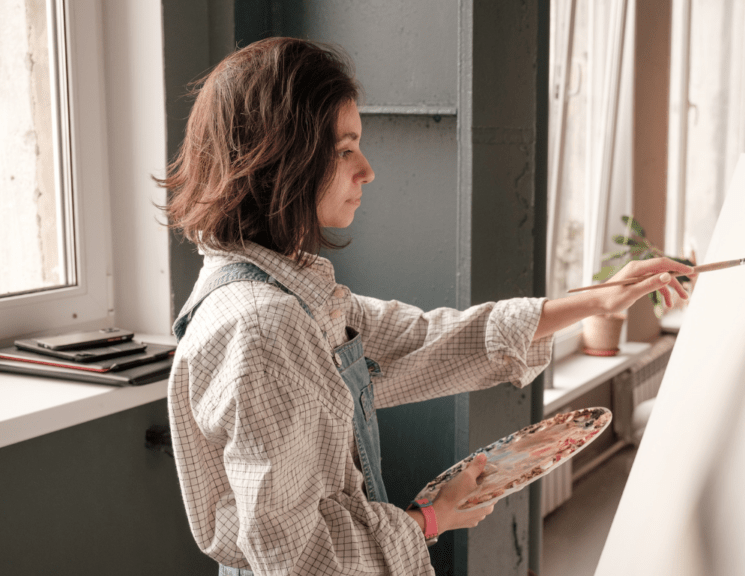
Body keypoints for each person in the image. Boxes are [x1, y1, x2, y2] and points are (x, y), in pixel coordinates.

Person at [160, 37, 691, 576]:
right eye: (345, 149)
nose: (367, 170)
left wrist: (596, 298)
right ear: (280, 158)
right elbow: (298, 559)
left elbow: (424, 339)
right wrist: (429, 520)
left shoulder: (291, 295)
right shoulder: (262, 326)